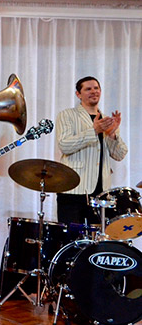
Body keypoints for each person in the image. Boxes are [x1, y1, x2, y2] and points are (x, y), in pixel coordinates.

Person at [55, 76, 127, 224]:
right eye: (88, 89)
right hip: (73, 190)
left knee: (97, 237)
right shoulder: (67, 115)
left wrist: (112, 134)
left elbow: (119, 155)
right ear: (78, 94)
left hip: (100, 194)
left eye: (96, 88)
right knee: (72, 236)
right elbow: (65, 145)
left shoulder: (106, 119)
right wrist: (94, 131)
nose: (94, 91)